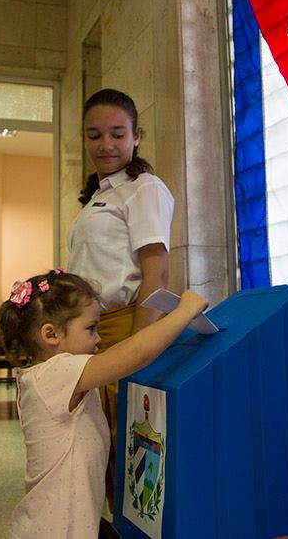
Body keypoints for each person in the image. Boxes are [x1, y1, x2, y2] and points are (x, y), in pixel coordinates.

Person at [0, 269, 208, 538]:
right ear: (51, 335)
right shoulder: (55, 373)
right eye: (91, 328)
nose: (98, 338)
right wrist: (184, 312)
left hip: (70, 522)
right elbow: (135, 353)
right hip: (57, 530)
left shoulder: (53, 376)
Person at [68, 88, 175, 515]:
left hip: (126, 327)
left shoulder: (143, 188)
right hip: (93, 331)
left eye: (117, 134)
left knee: (129, 449)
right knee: (104, 450)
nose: (106, 145)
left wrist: (138, 348)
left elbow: (157, 272)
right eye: (94, 135)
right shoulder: (99, 195)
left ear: (136, 136)